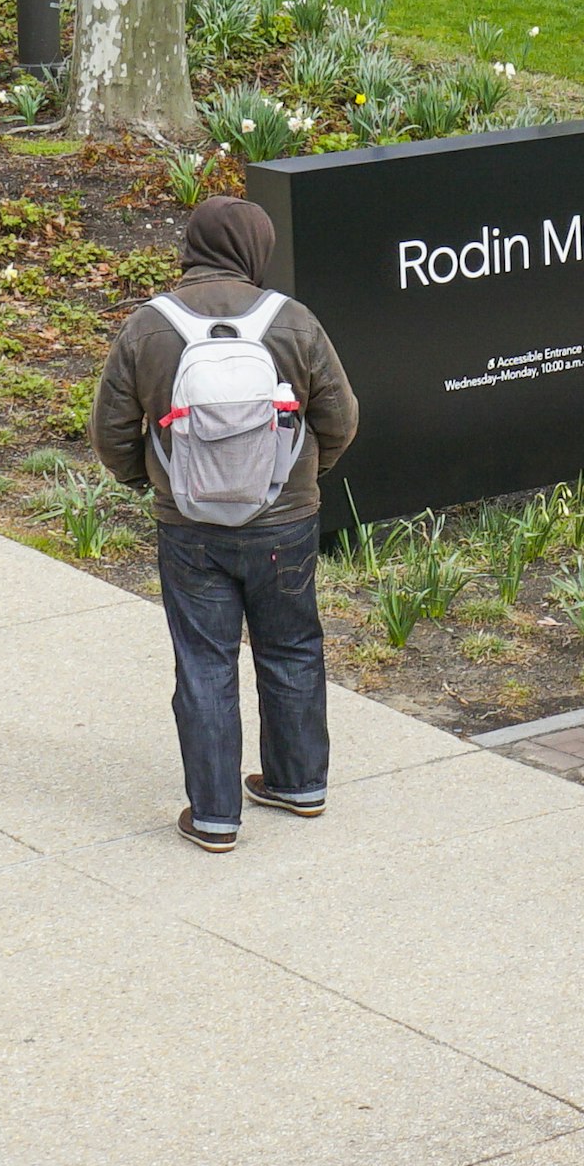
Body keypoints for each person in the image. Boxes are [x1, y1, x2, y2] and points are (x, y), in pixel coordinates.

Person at [92, 196, 359, 852]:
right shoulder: (292, 322)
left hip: (189, 527)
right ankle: (298, 784)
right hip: (285, 523)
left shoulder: (148, 328)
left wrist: (148, 481)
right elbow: (342, 417)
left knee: (205, 664)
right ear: (253, 249)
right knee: (292, 647)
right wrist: (299, 477)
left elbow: (109, 433)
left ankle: (214, 817)